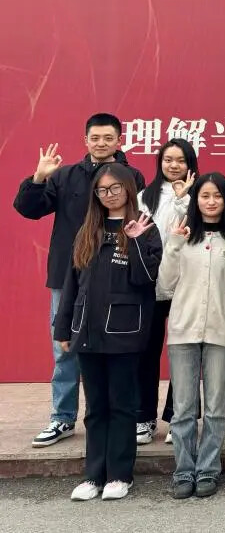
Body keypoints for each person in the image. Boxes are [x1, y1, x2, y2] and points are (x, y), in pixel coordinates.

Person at [14, 113, 145, 448]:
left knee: (117, 349)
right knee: (64, 347)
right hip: (68, 274)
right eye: (95, 138)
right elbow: (29, 209)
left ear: (119, 141)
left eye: (108, 138)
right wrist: (38, 178)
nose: (101, 143)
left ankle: (120, 418)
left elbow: (141, 222)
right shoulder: (65, 175)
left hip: (116, 276)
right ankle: (62, 417)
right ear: (85, 140)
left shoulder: (132, 177)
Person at [53, 163, 162, 501]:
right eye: (102, 190)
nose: (109, 195)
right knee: (96, 407)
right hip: (87, 331)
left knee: (122, 406)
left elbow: (146, 279)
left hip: (124, 332)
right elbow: (71, 284)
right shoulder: (88, 230)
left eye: (115, 188)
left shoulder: (145, 227)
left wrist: (136, 241)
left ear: (128, 189)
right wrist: (63, 327)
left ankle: (119, 474)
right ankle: (93, 475)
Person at [158, 173, 225, 499]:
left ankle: (208, 469)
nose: (211, 202)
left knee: (215, 408)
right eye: (204, 195)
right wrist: (173, 244)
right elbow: (164, 285)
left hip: (222, 332)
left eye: (218, 196)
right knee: (183, 409)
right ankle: (183, 471)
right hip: (183, 331)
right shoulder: (183, 235)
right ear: (195, 200)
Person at [136, 138, 199, 445]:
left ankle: (179, 417)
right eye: (168, 159)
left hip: (185, 283)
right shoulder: (144, 196)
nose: (174, 165)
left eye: (181, 160)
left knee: (184, 354)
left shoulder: (199, 195)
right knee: (145, 352)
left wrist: (183, 198)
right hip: (149, 284)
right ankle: (143, 417)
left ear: (190, 164)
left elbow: (194, 230)